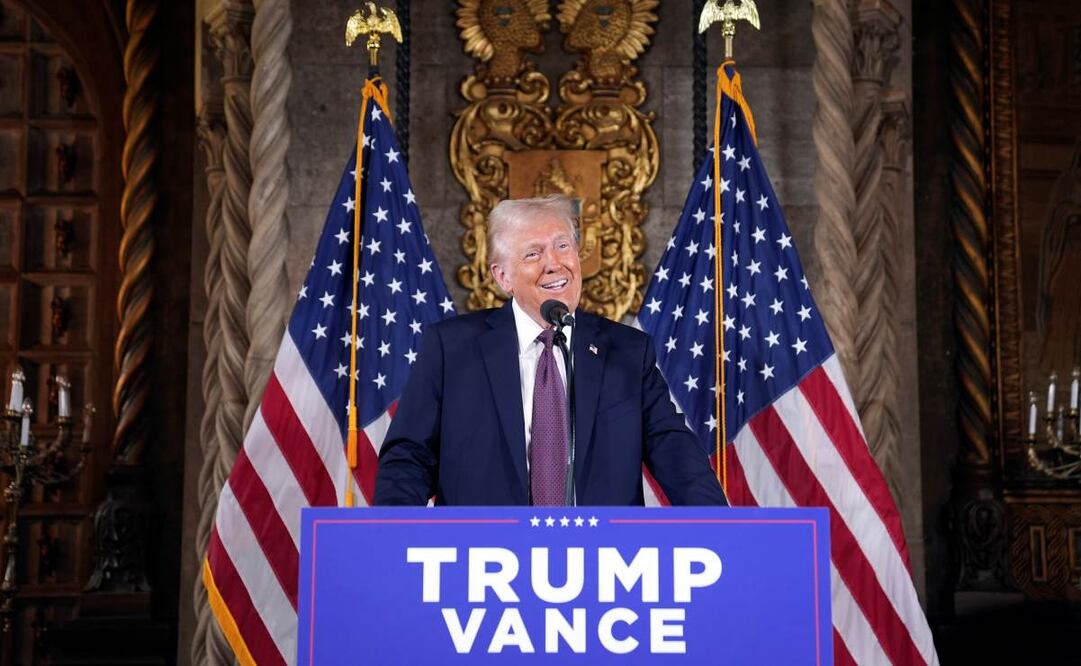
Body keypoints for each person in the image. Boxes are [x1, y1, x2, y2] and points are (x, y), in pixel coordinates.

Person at [374, 195, 727, 506]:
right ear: (503, 277)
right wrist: (392, 539)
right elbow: (409, 458)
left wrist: (723, 532)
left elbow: (674, 450)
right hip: (483, 553)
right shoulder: (451, 349)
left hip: (601, 552)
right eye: (533, 253)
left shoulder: (628, 352)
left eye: (562, 246)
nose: (554, 263)